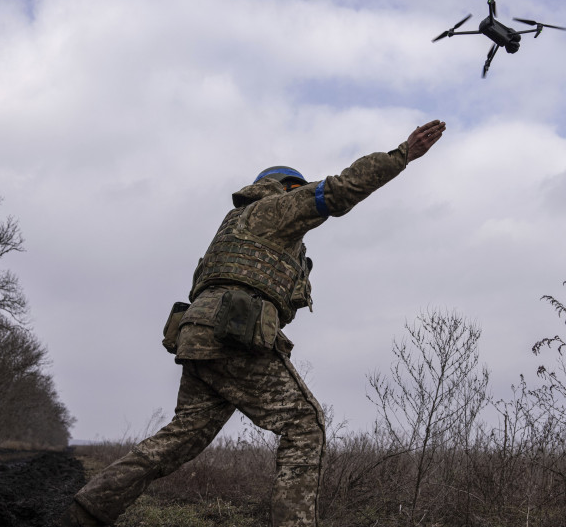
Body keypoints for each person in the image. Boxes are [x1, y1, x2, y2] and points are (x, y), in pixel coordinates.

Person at [62, 119, 447, 527]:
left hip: (200, 337)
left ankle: (84, 512)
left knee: (179, 439)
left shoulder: (232, 229)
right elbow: (337, 190)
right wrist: (402, 155)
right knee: (304, 423)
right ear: (286, 188)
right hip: (232, 335)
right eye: (297, 190)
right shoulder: (274, 210)